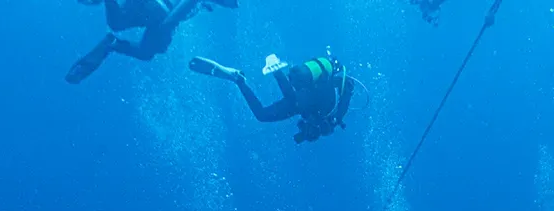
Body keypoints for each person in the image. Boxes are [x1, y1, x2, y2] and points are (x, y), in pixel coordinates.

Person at [189, 53, 354, 144]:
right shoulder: (330, 110)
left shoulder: (310, 113)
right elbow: (342, 89)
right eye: (314, 129)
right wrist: (337, 118)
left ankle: (238, 79)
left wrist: (303, 135)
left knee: (262, 115)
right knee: (296, 98)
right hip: (307, 92)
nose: (309, 124)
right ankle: (276, 69)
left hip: (301, 98)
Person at [66, 0, 237, 84]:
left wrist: (167, 29)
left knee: (137, 42)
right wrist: (168, 26)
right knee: (145, 46)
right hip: (159, 9)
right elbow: (183, 8)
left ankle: (111, 43)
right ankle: (112, 43)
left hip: (159, 13)